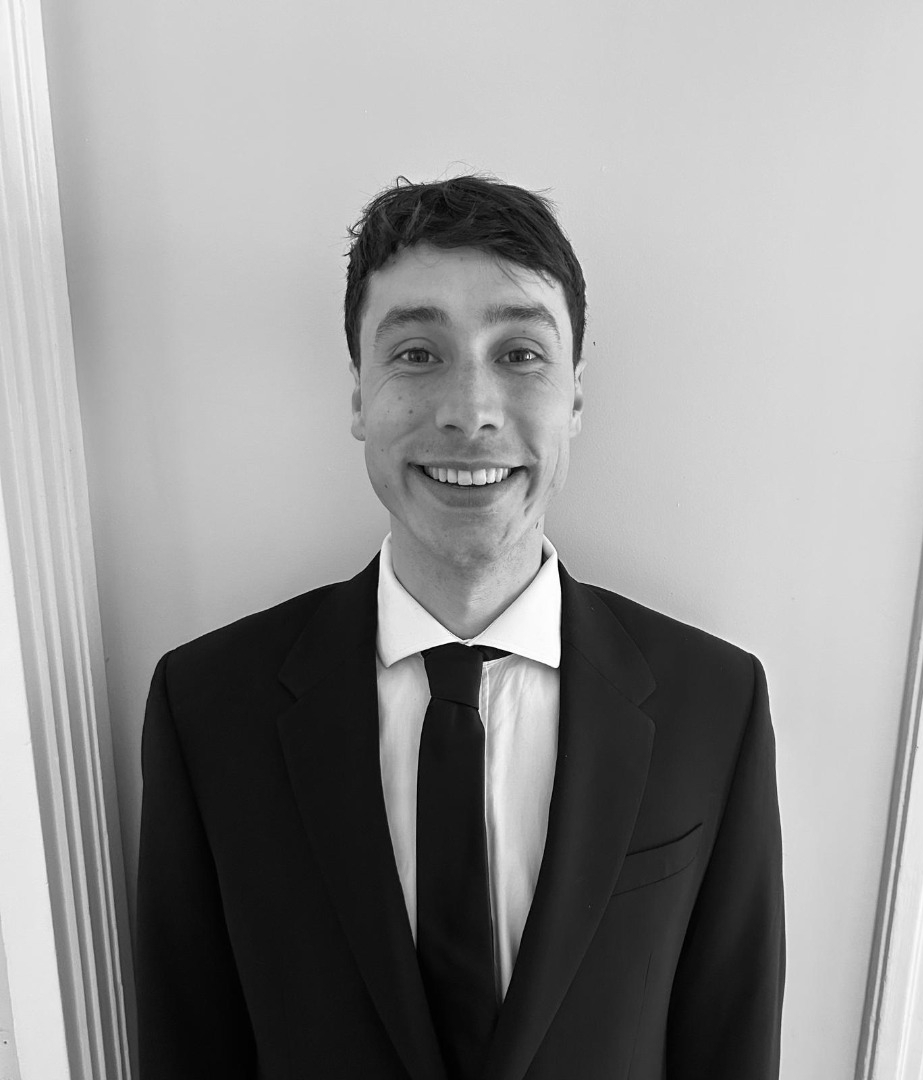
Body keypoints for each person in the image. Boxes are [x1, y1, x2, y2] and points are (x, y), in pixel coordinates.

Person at [136, 174, 785, 1080]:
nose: (469, 411)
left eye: (520, 353)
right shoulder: (207, 708)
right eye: (416, 353)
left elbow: (731, 1041)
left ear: (575, 397)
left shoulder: (713, 705)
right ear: (358, 395)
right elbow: (187, 1040)